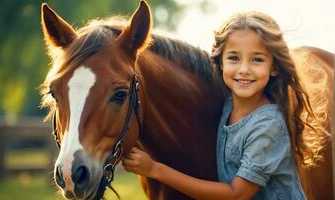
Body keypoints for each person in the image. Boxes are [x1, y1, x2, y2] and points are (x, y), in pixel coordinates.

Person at [122, 11, 327, 199]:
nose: (244, 69)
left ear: (274, 68)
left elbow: (235, 194)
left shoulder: (268, 126)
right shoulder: (228, 105)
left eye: (257, 59)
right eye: (234, 58)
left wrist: (155, 170)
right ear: (221, 63)